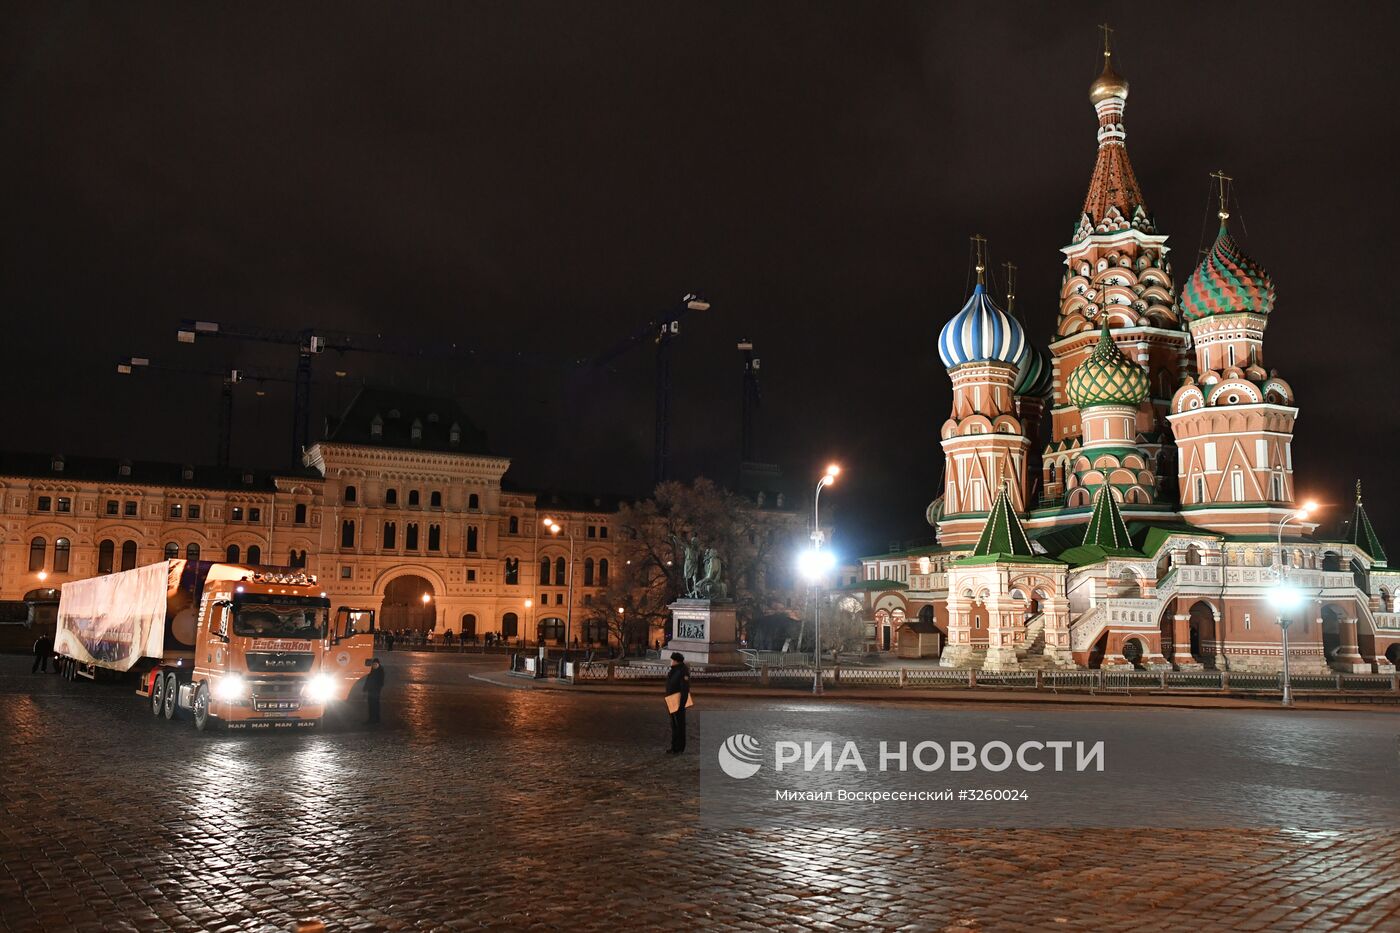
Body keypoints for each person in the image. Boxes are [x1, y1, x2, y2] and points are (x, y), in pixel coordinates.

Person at [664, 652, 691, 754]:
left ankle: (680, 748)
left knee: (680, 726)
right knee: (674, 725)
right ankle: (674, 746)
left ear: (676, 661)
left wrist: (681, 705)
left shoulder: (683, 671)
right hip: (672, 701)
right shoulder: (674, 670)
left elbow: (684, 689)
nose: (671, 662)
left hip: (678, 702)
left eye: (672, 660)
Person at [363, 658, 385, 724]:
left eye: (376, 664)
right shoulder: (371, 671)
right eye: (373, 664)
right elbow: (368, 680)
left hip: (376, 691)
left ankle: (376, 719)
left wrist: (377, 689)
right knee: (371, 705)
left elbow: (381, 682)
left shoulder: (381, 671)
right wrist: (365, 688)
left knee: (375, 705)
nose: (374, 666)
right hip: (371, 691)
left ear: (378, 664)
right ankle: (371, 719)